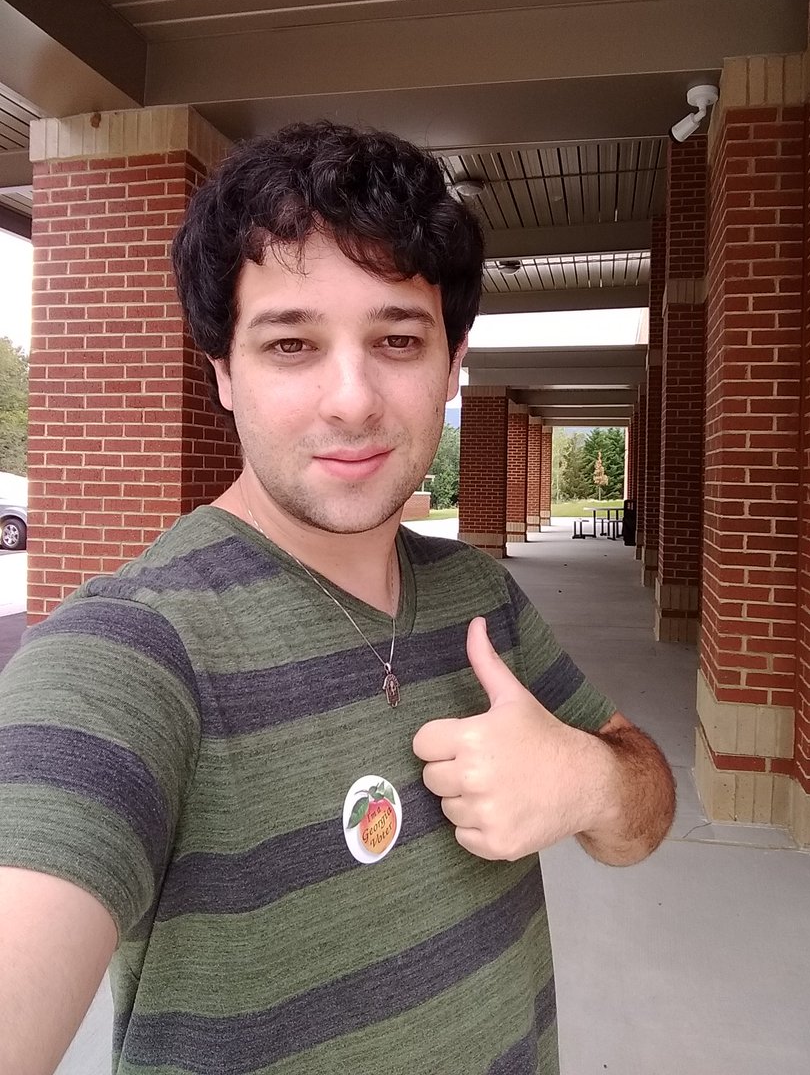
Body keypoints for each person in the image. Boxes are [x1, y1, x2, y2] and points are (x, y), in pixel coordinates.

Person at [0, 121, 675, 1075]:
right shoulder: (135, 651)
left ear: (453, 363)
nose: (352, 399)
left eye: (397, 339)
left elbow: (643, 807)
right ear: (223, 371)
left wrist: (587, 780)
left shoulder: (481, 597)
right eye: (291, 344)